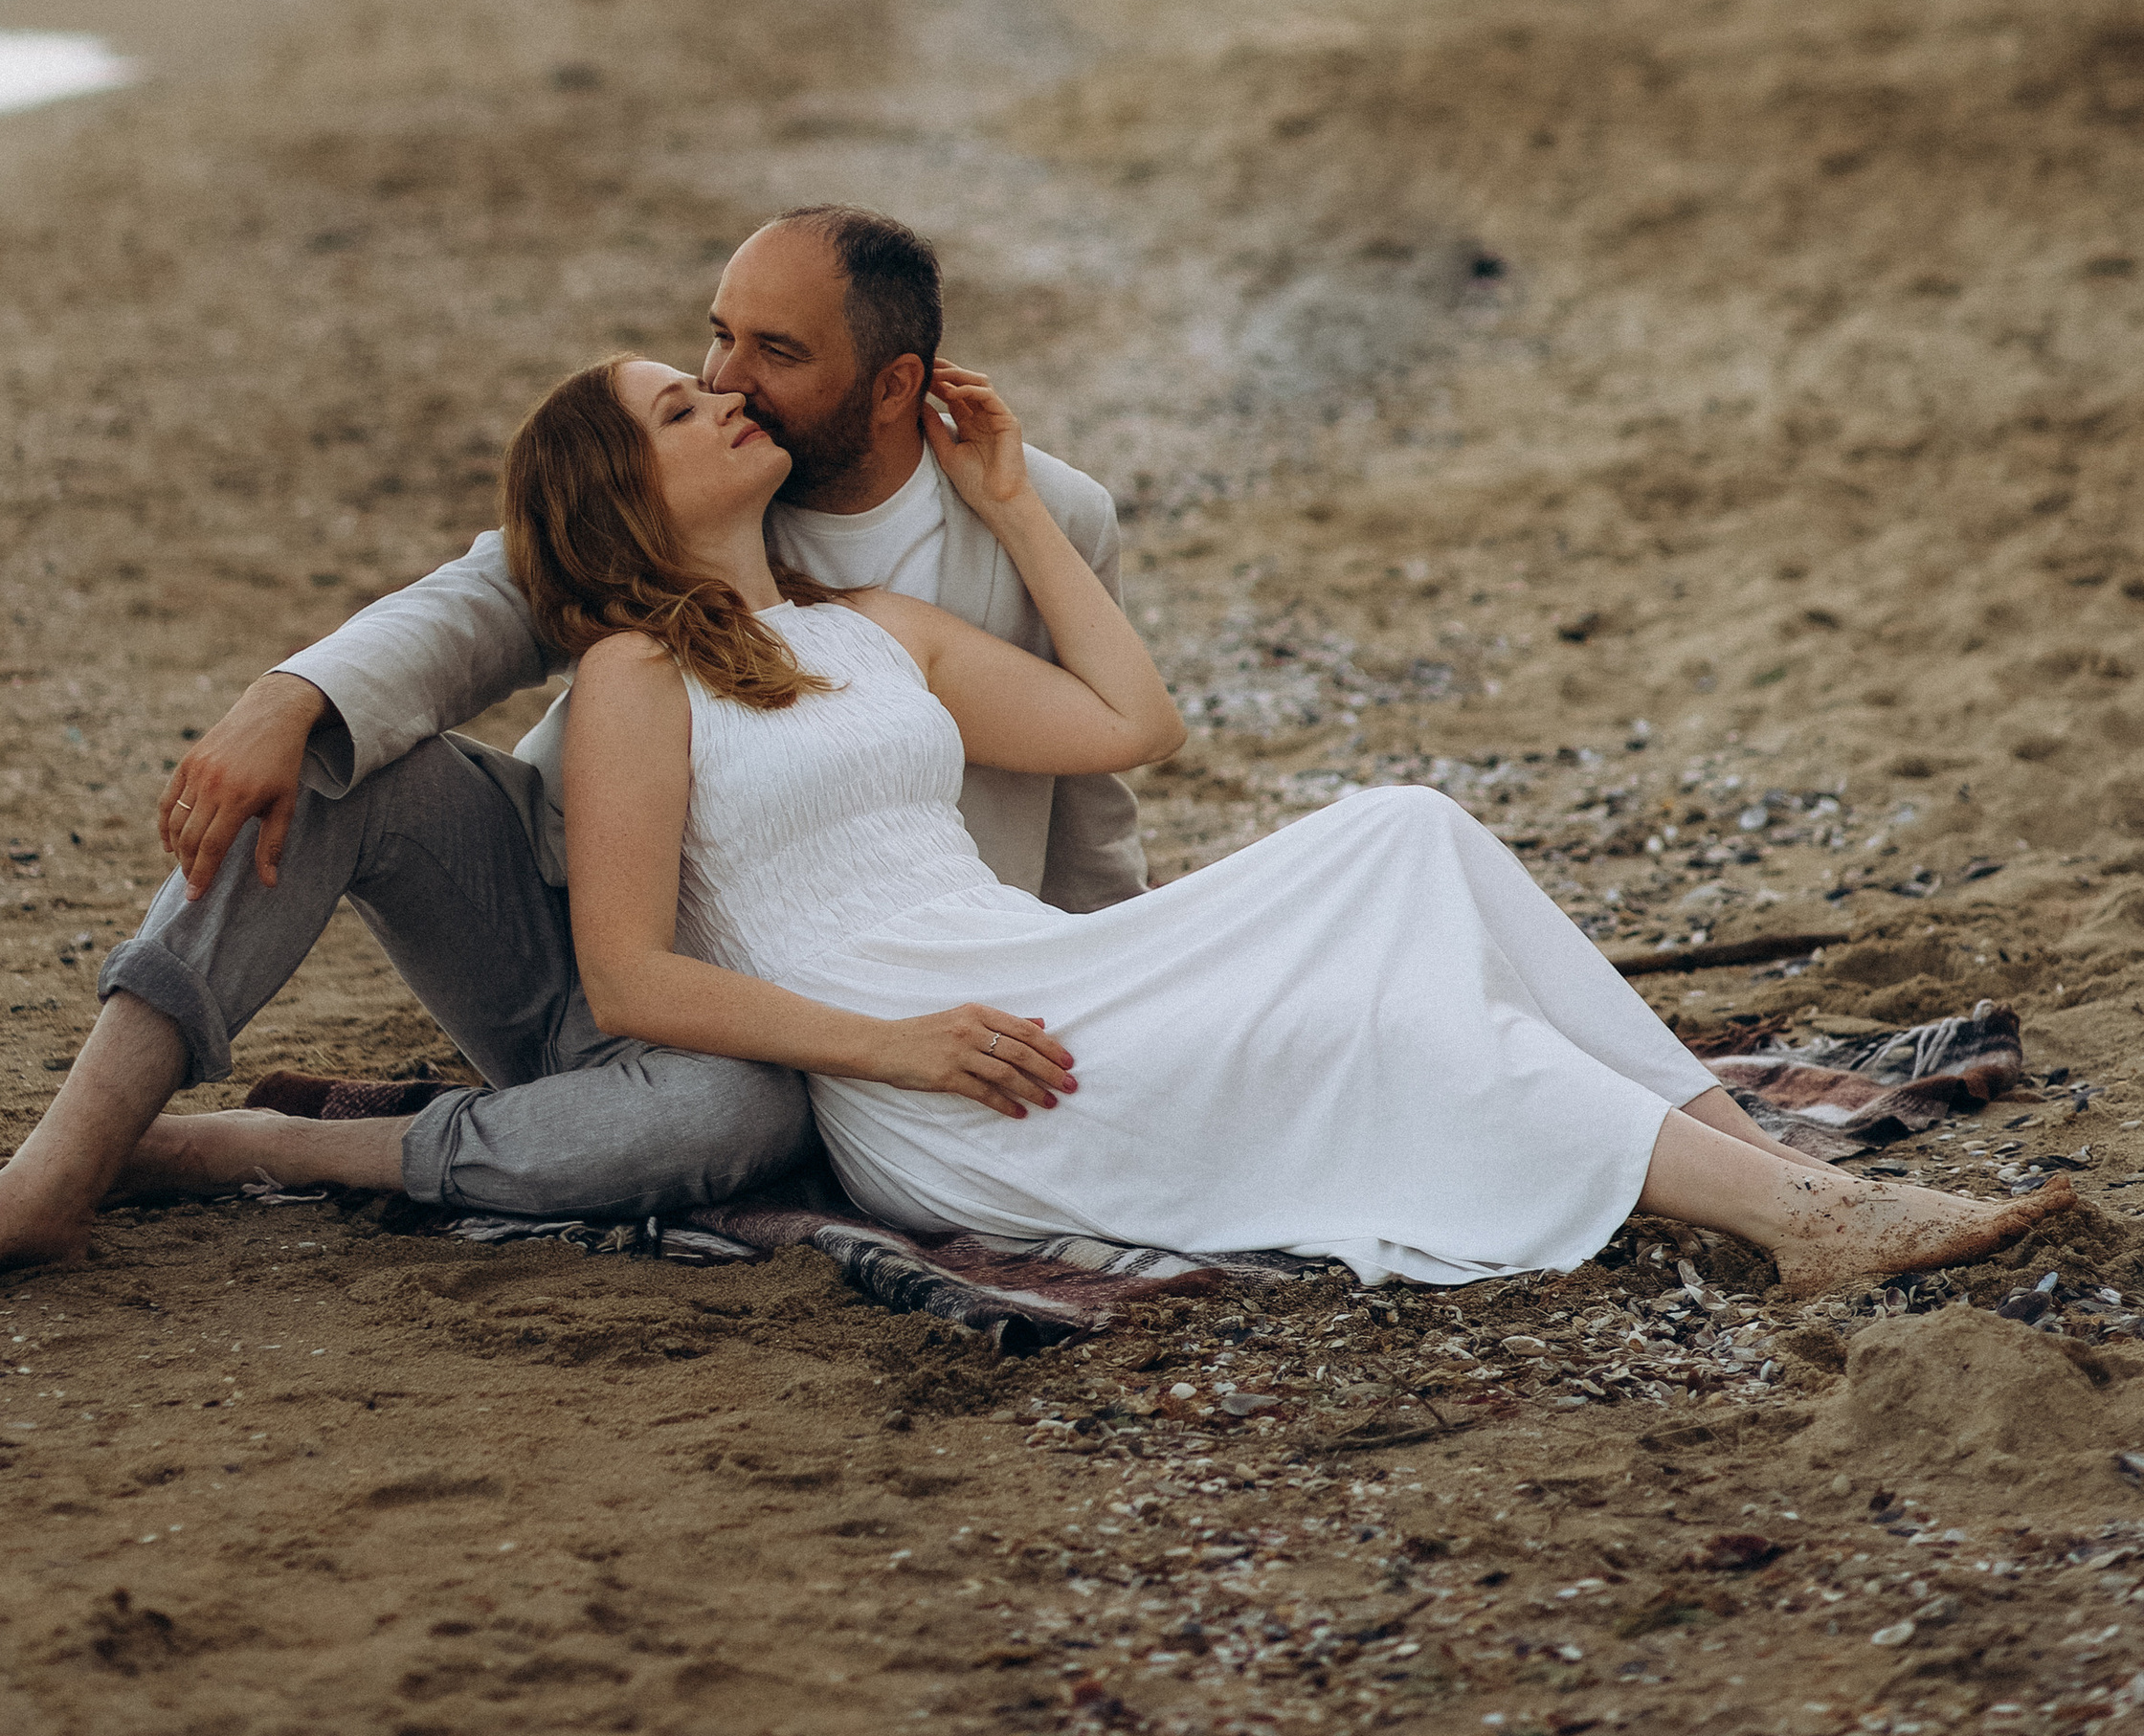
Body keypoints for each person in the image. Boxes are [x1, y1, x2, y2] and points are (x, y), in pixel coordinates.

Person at [522, 355, 2071, 1295]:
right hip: (950, 1068)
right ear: (619, 490)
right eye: (682, 404)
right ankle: (1810, 1212)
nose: (727, 399)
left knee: (1407, 825)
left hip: (1052, 963)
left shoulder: (867, 626)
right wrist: (899, 1046)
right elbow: (632, 981)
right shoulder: (632, 678)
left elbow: (1133, 724)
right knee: (1385, 1031)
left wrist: (1009, 506)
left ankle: (1741, 1158)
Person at [0, 208, 1143, 1293]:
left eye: (775, 352)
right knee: (331, 753)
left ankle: (270, 1145)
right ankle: (55, 1172)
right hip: (581, 936)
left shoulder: (1027, 516)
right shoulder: (689, 484)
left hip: (817, 1007)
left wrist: (1102, 990)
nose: (734, 381)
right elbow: (479, 601)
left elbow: (1098, 783)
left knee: (744, 1110)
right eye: (717, 339)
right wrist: (287, 695)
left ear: (894, 385)